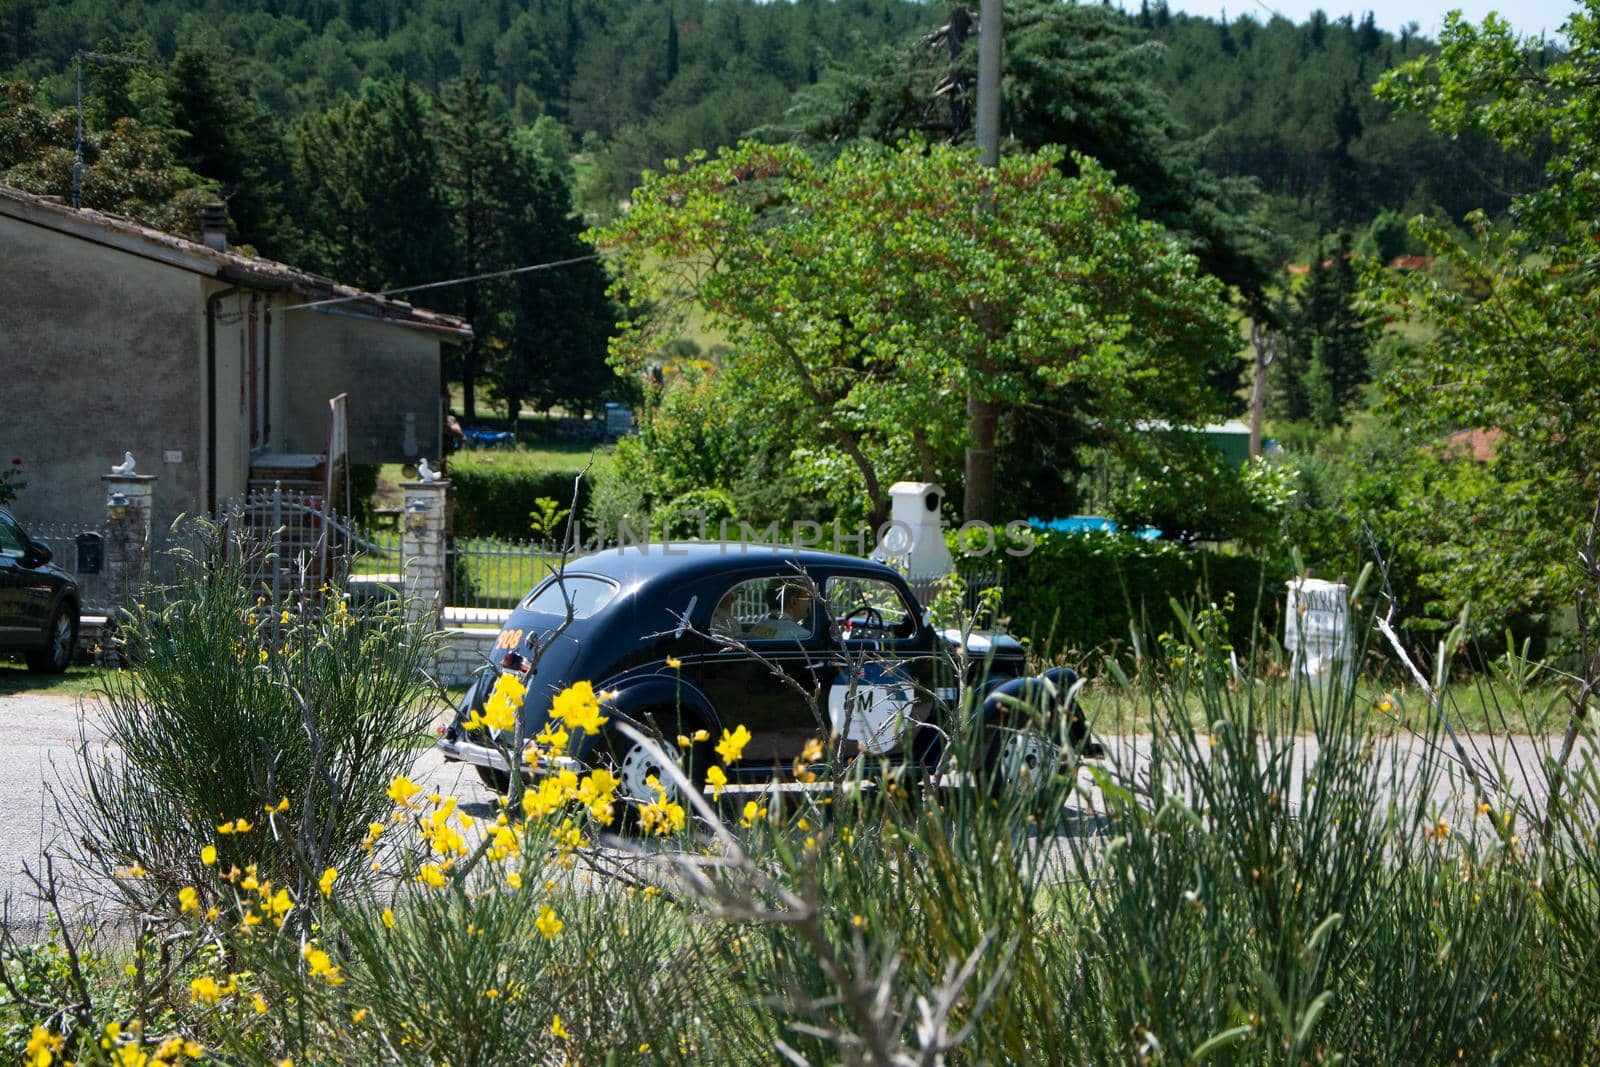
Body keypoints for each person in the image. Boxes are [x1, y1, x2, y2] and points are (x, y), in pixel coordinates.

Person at [745, 581, 813, 640]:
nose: (809, 603)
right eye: (807, 598)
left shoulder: (756, 629)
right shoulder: (803, 636)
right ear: (793, 601)